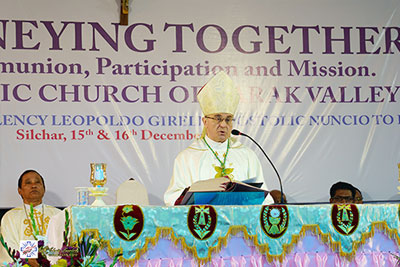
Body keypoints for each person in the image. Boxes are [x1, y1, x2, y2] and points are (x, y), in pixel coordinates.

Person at [164, 72, 274, 206]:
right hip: (202, 222)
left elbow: (265, 199)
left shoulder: (247, 155)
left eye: (228, 119)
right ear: (205, 122)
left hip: (240, 224)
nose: (223, 124)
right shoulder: (187, 157)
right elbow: (173, 198)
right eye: (217, 118)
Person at [0, 170, 60, 266]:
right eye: (28, 183)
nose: (33, 186)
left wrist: (48, 259)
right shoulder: (10, 217)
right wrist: (28, 260)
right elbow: (9, 246)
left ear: (44, 189)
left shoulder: (57, 214)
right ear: (19, 190)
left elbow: (64, 244)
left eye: (37, 182)